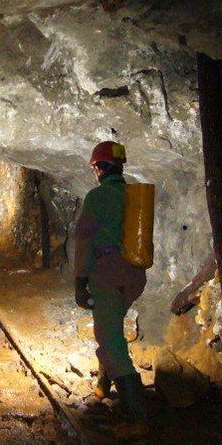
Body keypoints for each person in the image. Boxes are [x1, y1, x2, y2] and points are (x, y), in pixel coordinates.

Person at [73, 141, 148, 422]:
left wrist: (80, 281)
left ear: (100, 168)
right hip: (134, 275)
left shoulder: (98, 196)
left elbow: (84, 241)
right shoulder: (134, 196)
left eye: (95, 167)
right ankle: (103, 386)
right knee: (110, 326)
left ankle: (137, 417)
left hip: (108, 274)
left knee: (109, 338)